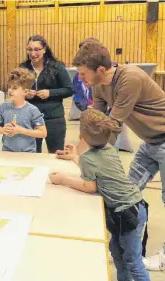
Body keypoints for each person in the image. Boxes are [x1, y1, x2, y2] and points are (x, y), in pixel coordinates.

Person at [73, 42, 165, 271]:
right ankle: (126, 246)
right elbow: (96, 124)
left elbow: (112, 126)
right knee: (126, 193)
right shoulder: (99, 86)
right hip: (150, 142)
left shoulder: (129, 78)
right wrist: (76, 150)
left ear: (100, 71)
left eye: (84, 74)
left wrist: (83, 155)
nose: (81, 79)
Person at [51, 109, 150, 281]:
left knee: (132, 261)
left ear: (82, 134)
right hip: (135, 207)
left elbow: (89, 185)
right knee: (117, 253)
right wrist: (76, 156)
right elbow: (96, 167)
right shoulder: (109, 148)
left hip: (127, 214)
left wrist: (63, 180)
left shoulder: (88, 158)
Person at [19, 35, 73, 153]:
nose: (33, 53)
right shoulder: (23, 68)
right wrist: (25, 94)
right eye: (30, 49)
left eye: (37, 49)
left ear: (44, 49)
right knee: (32, 154)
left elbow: (69, 89)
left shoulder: (57, 66)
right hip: (30, 118)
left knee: (56, 154)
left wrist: (50, 93)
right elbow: (15, 90)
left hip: (53, 119)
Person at [0, 67, 47, 152]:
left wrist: (21, 130)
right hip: (7, 151)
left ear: (25, 92)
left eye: (14, 88)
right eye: (9, 87)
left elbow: (43, 133)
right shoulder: (3, 107)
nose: (10, 91)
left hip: (27, 153)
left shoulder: (33, 110)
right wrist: (4, 130)